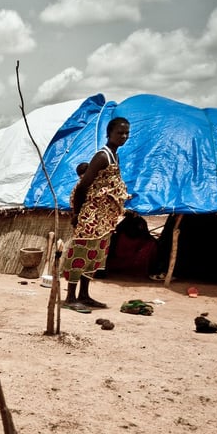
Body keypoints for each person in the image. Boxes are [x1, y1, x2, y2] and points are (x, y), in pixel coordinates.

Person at [63, 117, 130, 310]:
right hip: (91, 216)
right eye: (120, 133)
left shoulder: (115, 156)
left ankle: (84, 295)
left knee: (94, 255)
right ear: (109, 134)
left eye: (126, 133)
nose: (124, 136)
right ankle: (70, 297)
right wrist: (77, 214)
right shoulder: (102, 157)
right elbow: (84, 186)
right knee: (81, 253)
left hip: (103, 218)